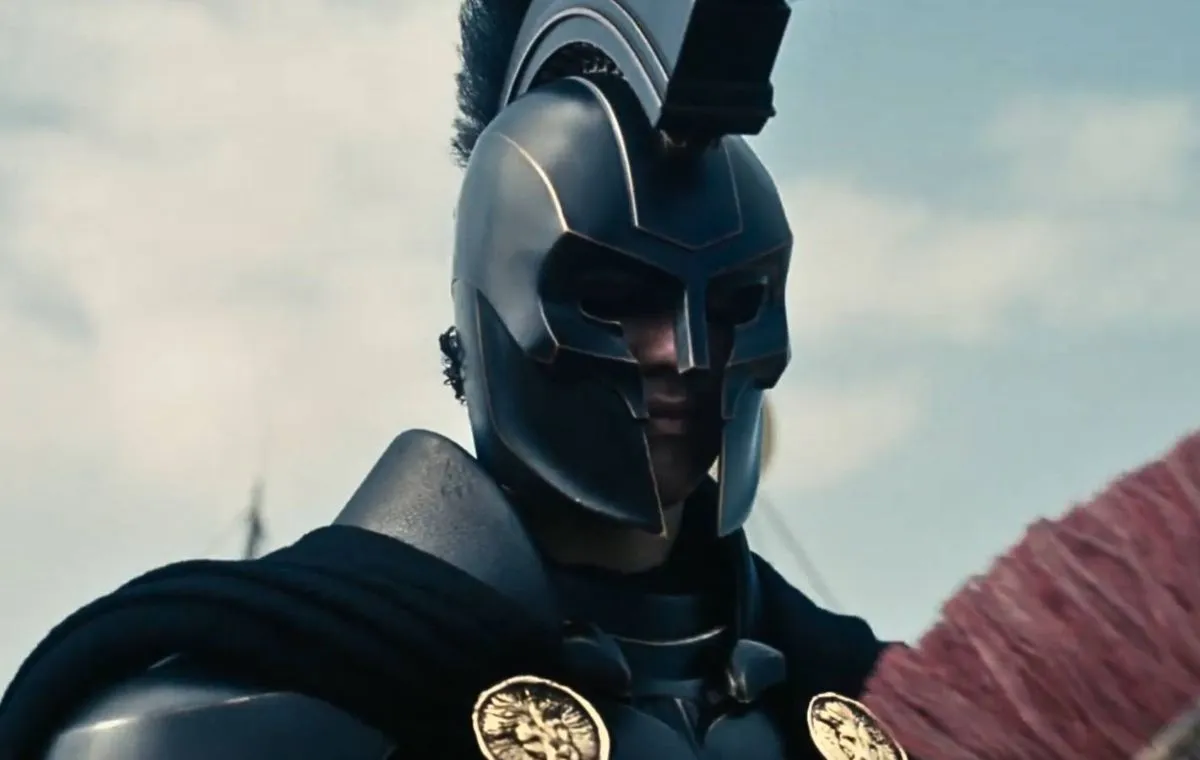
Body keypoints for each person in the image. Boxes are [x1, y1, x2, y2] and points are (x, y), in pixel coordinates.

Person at [0, 1, 890, 758]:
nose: (689, 355)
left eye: (735, 302)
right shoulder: (229, 722)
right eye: (616, 299)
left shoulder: (857, 696)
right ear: (489, 321)